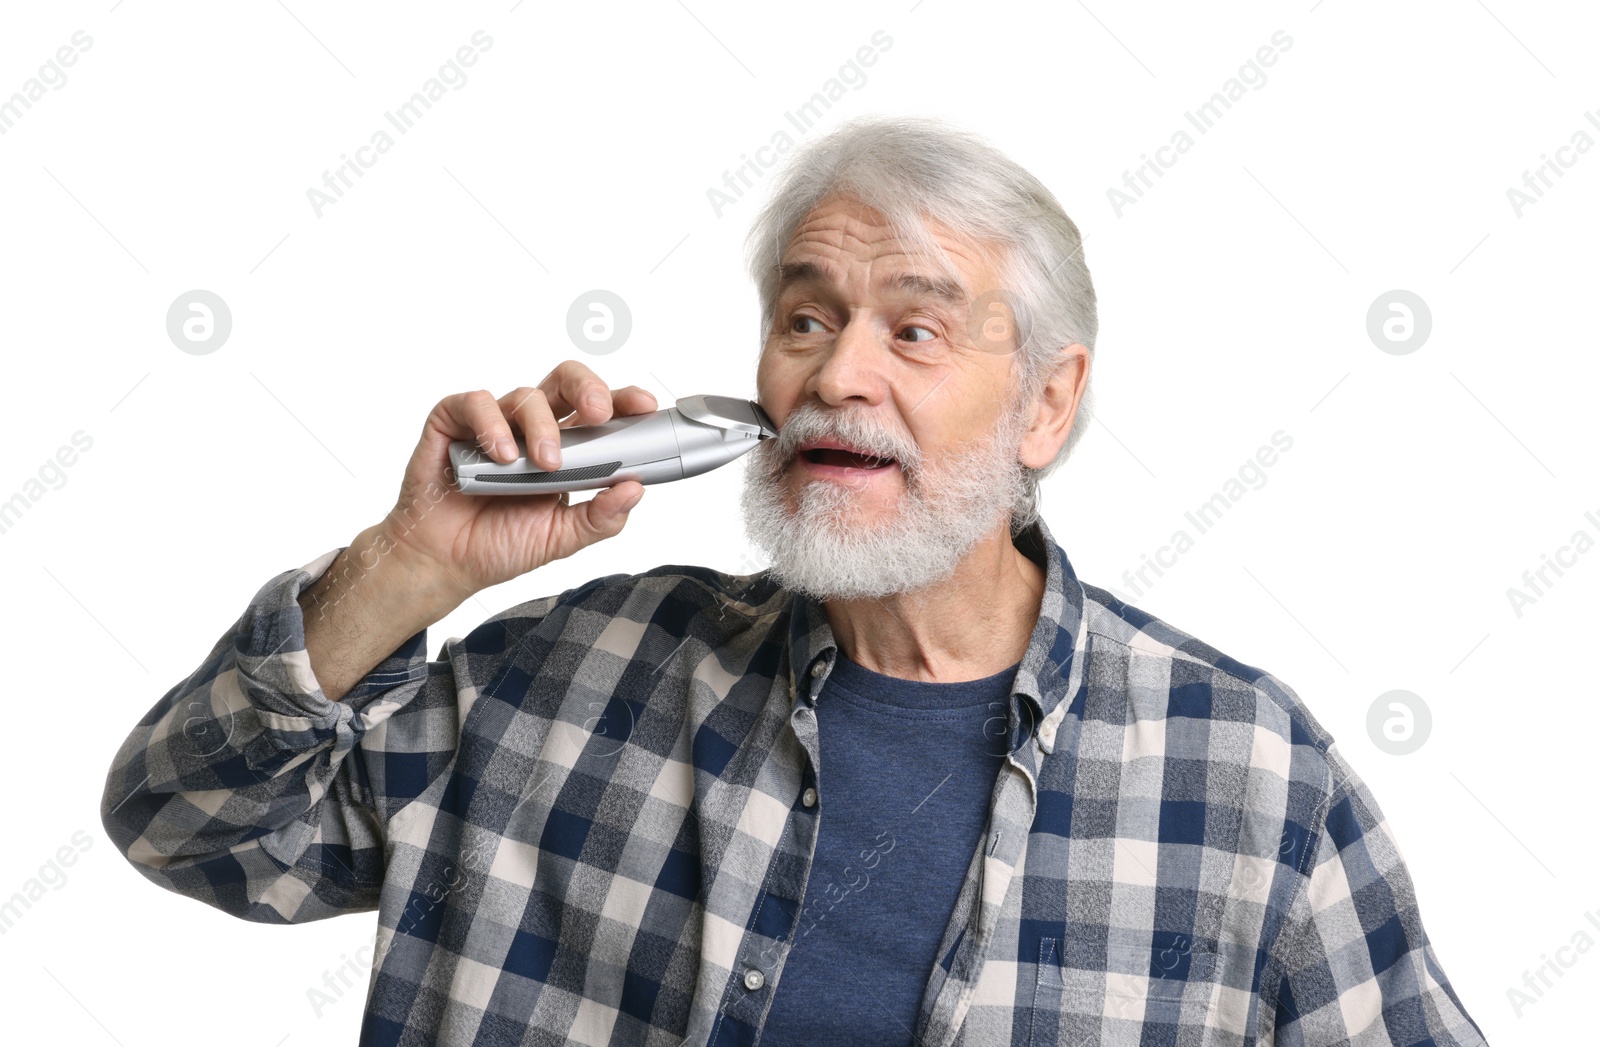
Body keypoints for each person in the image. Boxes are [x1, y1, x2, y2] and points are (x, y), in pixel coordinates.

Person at [101, 116, 1488, 1046]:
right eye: (806, 319)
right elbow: (186, 827)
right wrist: (408, 567)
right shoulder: (560, 678)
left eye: (916, 329)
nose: (836, 375)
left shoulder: (1249, 781)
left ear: (1047, 404)